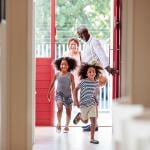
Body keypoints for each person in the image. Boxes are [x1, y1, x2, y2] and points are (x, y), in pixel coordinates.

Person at [76, 25, 117, 131]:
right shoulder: (86, 43)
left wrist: (108, 68)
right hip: (88, 75)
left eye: (82, 34)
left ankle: (95, 125)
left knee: (93, 100)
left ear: (86, 32)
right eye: (80, 35)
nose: (81, 36)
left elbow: (102, 54)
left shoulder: (94, 42)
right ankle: (93, 124)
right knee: (91, 100)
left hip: (94, 75)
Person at [73, 63, 103, 144]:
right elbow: (75, 90)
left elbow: (94, 93)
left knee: (93, 121)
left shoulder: (96, 83)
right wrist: (76, 100)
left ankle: (92, 138)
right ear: (86, 74)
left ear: (95, 73)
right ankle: (80, 116)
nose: (92, 73)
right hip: (83, 104)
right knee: (85, 121)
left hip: (92, 104)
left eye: (93, 71)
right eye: (89, 72)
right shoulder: (83, 82)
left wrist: (96, 100)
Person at [48, 57, 77, 133]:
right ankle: (59, 123)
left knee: (68, 111)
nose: (63, 66)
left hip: (68, 96)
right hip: (59, 95)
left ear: (68, 66)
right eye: (62, 64)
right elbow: (52, 83)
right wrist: (49, 93)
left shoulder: (71, 75)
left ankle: (66, 126)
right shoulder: (57, 74)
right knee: (60, 108)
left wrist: (75, 97)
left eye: (65, 64)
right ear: (59, 65)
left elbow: (73, 87)